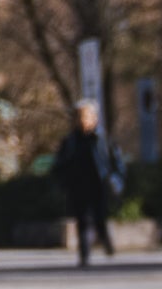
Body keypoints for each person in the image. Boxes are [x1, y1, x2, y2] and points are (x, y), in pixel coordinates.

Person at [50, 102, 122, 266]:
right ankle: (84, 255)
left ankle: (105, 240)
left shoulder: (102, 140)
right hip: (78, 187)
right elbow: (59, 165)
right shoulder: (70, 142)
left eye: (85, 117)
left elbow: (116, 163)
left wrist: (116, 183)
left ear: (94, 119)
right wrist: (61, 183)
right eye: (78, 117)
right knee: (82, 221)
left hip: (99, 185)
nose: (81, 121)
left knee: (99, 218)